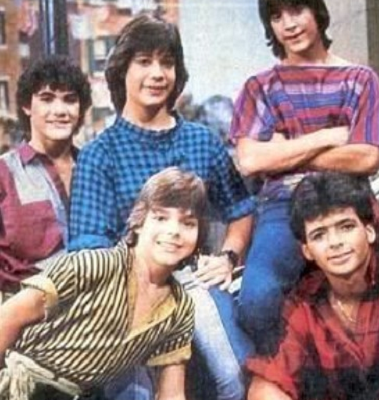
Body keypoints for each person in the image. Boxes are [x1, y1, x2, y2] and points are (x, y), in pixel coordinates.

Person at [69, 12, 255, 400]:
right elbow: (87, 246)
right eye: (144, 61)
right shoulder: (98, 154)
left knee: (237, 376)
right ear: (122, 70)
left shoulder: (202, 141)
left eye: (166, 63)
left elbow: (240, 209)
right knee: (133, 393)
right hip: (126, 289)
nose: (157, 74)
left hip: (195, 281)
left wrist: (227, 256)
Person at [229, 0, 379, 352]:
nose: (288, 24)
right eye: (276, 16)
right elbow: (251, 160)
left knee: (364, 307)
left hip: (346, 202)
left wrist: (283, 152)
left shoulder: (360, 79)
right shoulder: (259, 87)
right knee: (257, 300)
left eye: (296, 10)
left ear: (317, 11)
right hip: (282, 208)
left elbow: (367, 157)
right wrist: (328, 137)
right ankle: (293, 369)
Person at [0, 167, 207, 400]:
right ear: (139, 222)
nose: (174, 231)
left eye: (188, 223)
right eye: (161, 218)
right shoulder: (94, 265)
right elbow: (8, 317)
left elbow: (172, 394)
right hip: (17, 384)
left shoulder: (180, 308)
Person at [247, 171, 379, 400]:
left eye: (346, 227)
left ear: (369, 232)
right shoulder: (304, 305)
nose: (335, 243)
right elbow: (264, 385)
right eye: (319, 235)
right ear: (307, 251)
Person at [0, 56, 91, 298]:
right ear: (27, 106)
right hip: (26, 307)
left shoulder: (95, 168)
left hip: (99, 304)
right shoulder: (4, 173)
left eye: (70, 99)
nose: (59, 111)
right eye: (47, 99)